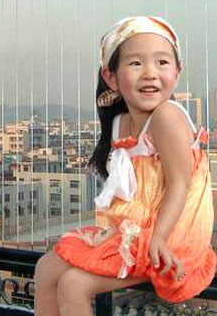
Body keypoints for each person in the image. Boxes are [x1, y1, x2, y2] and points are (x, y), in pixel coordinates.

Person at [34, 16, 216, 316]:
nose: (150, 73)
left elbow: (179, 184)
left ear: (177, 71)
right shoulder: (120, 123)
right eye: (136, 63)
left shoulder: (167, 116)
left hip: (171, 234)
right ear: (111, 77)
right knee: (45, 268)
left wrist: (159, 237)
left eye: (161, 62)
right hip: (135, 229)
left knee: (73, 284)